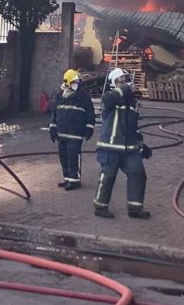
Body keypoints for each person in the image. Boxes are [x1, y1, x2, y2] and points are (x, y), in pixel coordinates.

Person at [93, 68, 151, 219]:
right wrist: (125, 89)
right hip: (110, 147)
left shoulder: (132, 103)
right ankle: (100, 207)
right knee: (108, 177)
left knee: (138, 174)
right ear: (114, 84)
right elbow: (107, 99)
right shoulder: (110, 98)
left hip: (129, 148)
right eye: (121, 81)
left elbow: (131, 126)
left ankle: (135, 209)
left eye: (126, 81)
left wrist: (140, 143)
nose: (126, 84)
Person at [49, 69, 96, 191]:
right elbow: (55, 113)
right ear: (68, 82)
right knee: (63, 157)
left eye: (77, 81)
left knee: (73, 157)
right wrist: (53, 128)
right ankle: (67, 179)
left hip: (75, 133)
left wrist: (89, 128)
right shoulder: (60, 95)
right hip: (62, 133)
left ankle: (75, 180)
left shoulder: (83, 96)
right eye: (74, 81)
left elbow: (90, 113)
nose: (77, 84)